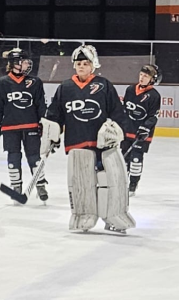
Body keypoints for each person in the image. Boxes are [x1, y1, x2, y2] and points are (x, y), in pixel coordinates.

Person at [40, 44, 134, 234]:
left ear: (93, 65)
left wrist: (118, 130)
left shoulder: (104, 85)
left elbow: (117, 111)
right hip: (78, 140)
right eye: (78, 63)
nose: (82, 66)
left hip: (104, 143)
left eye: (85, 63)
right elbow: (54, 114)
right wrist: (51, 133)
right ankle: (83, 215)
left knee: (112, 179)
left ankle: (114, 216)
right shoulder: (65, 87)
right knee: (82, 182)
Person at [0, 48, 49, 200]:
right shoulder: (3, 83)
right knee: (13, 157)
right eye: (23, 62)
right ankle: (16, 185)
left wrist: (44, 122)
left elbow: (41, 105)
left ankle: (40, 184)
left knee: (34, 157)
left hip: (31, 126)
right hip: (10, 127)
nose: (27, 65)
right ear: (15, 64)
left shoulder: (35, 82)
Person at [120, 64, 162, 196]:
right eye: (141, 75)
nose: (142, 78)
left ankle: (133, 184)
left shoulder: (154, 96)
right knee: (123, 158)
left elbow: (153, 116)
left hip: (142, 134)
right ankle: (121, 182)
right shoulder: (130, 90)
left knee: (136, 159)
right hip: (127, 131)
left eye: (146, 76)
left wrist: (145, 128)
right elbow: (125, 109)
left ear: (152, 79)